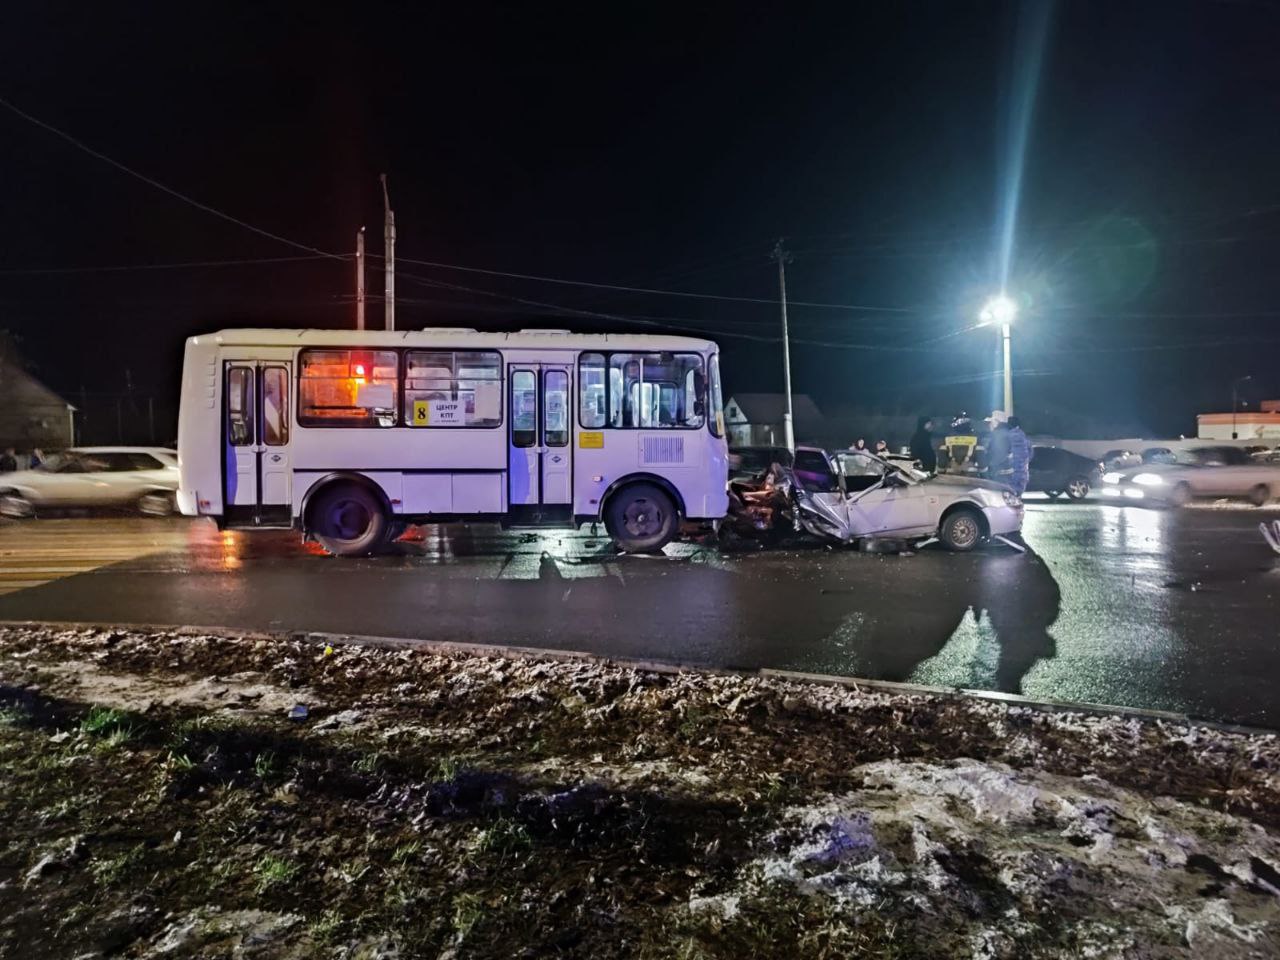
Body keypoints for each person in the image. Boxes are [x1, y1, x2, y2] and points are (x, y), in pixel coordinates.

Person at [1006, 416, 1032, 497]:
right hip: (1022, 469)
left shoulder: (1007, 436)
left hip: (1011, 468)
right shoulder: (1024, 437)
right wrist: (1026, 460)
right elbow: (1030, 451)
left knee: (1010, 493)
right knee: (1019, 493)